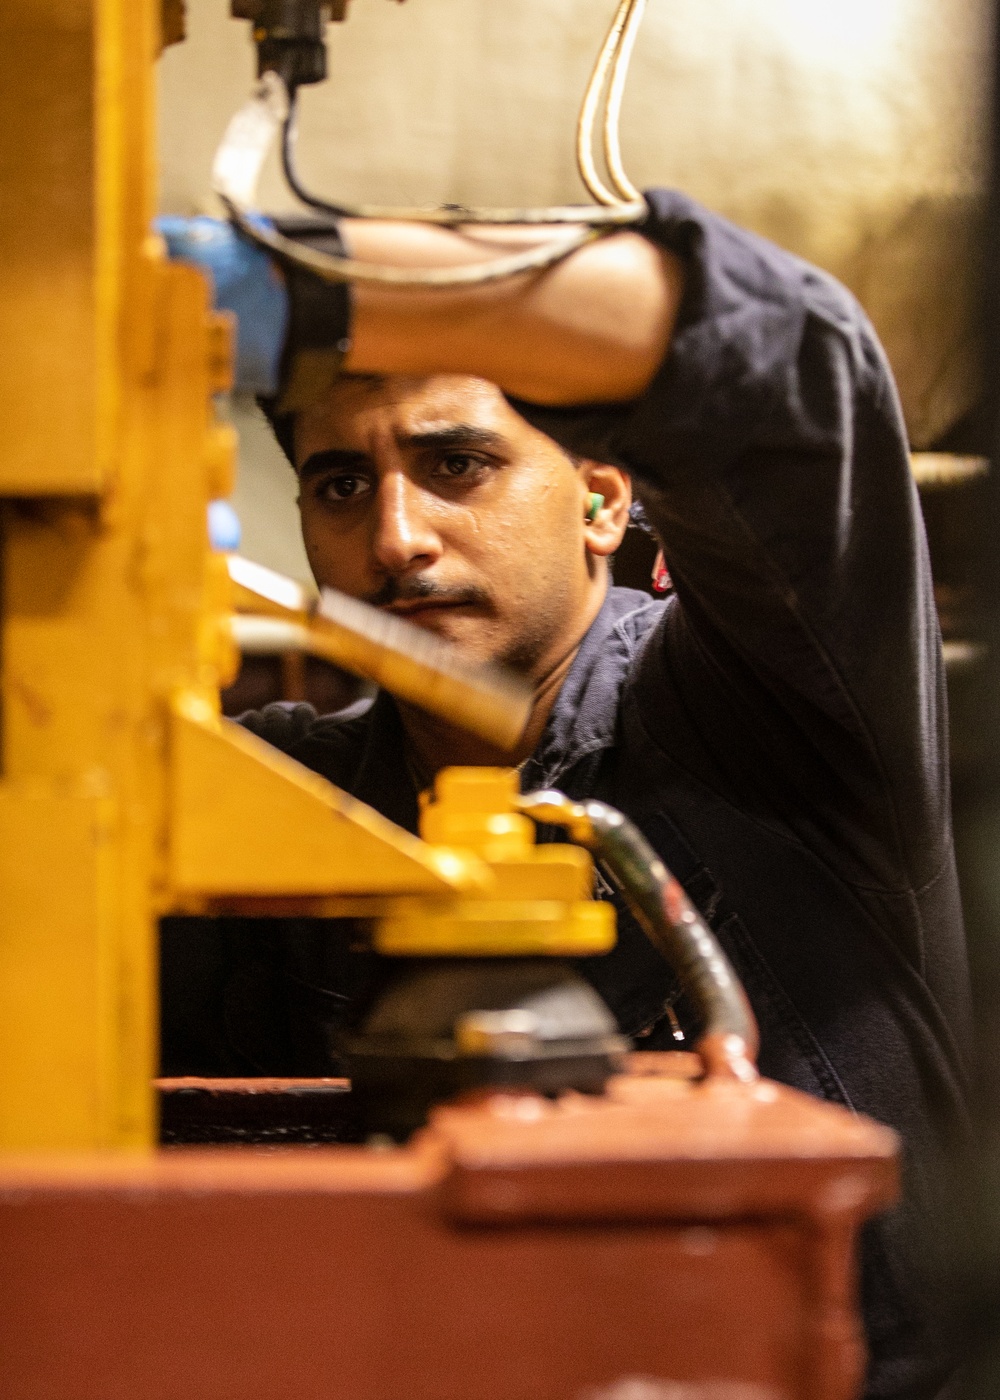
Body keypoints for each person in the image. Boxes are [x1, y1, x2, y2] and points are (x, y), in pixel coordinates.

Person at [161, 190, 972, 1400]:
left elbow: (803, 375)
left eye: (457, 464)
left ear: (600, 502)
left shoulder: (766, 709)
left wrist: (318, 277)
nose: (396, 538)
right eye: (339, 484)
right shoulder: (279, 791)